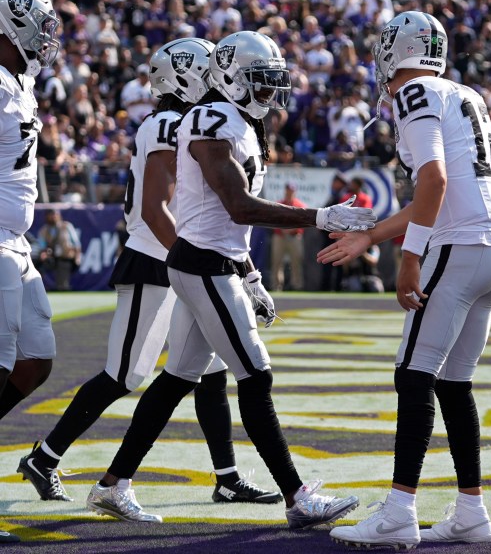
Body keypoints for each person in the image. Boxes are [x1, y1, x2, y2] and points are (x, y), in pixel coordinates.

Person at [84, 30, 375, 528]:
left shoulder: (235, 119)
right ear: (231, 79)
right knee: (255, 376)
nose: (269, 94)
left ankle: (112, 485)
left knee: (177, 379)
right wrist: (319, 217)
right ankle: (298, 497)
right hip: (204, 266)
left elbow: (221, 225)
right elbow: (236, 207)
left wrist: (251, 273)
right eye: (261, 83)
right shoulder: (209, 117)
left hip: (214, 262)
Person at [18, 38, 281, 511]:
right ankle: (47, 456)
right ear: (184, 76)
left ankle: (226, 476)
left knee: (211, 370)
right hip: (158, 258)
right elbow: (154, 208)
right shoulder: (167, 123)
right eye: (205, 71)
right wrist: (191, 257)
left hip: (185, 258)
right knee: (127, 373)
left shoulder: (198, 122)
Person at [317, 11, 491, 548]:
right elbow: (435, 189)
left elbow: (434, 180)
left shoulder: (414, 94)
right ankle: (472, 511)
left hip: (462, 245)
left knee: (413, 375)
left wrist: (409, 257)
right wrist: (372, 236)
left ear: (391, 51)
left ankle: (399, 511)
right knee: (453, 383)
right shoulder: (462, 92)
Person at [0, 0, 61, 544]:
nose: (47, 37)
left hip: (15, 242)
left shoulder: (18, 81)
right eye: (40, 24)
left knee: (36, 360)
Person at [270, 182, 307, 291]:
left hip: (295, 236)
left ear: (295, 191)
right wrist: (283, 229)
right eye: (288, 190)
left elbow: (304, 222)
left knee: (296, 262)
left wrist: (292, 229)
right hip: (279, 236)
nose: (289, 192)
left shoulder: (299, 205)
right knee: (276, 262)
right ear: (285, 190)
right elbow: (272, 220)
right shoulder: (279, 204)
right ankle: (276, 286)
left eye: (291, 190)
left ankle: (297, 285)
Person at [37, 209, 82, 291]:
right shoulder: (44, 230)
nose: (53, 217)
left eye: (55, 214)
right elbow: (41, 246)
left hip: (65, 256)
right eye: (51, 215)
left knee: (63, 270)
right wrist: (44, 254)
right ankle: (40, 287)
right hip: (51, 257)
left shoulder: (66, 226)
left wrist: (77, 257)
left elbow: (76, 243)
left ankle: (63, 287)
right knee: (39, 265)